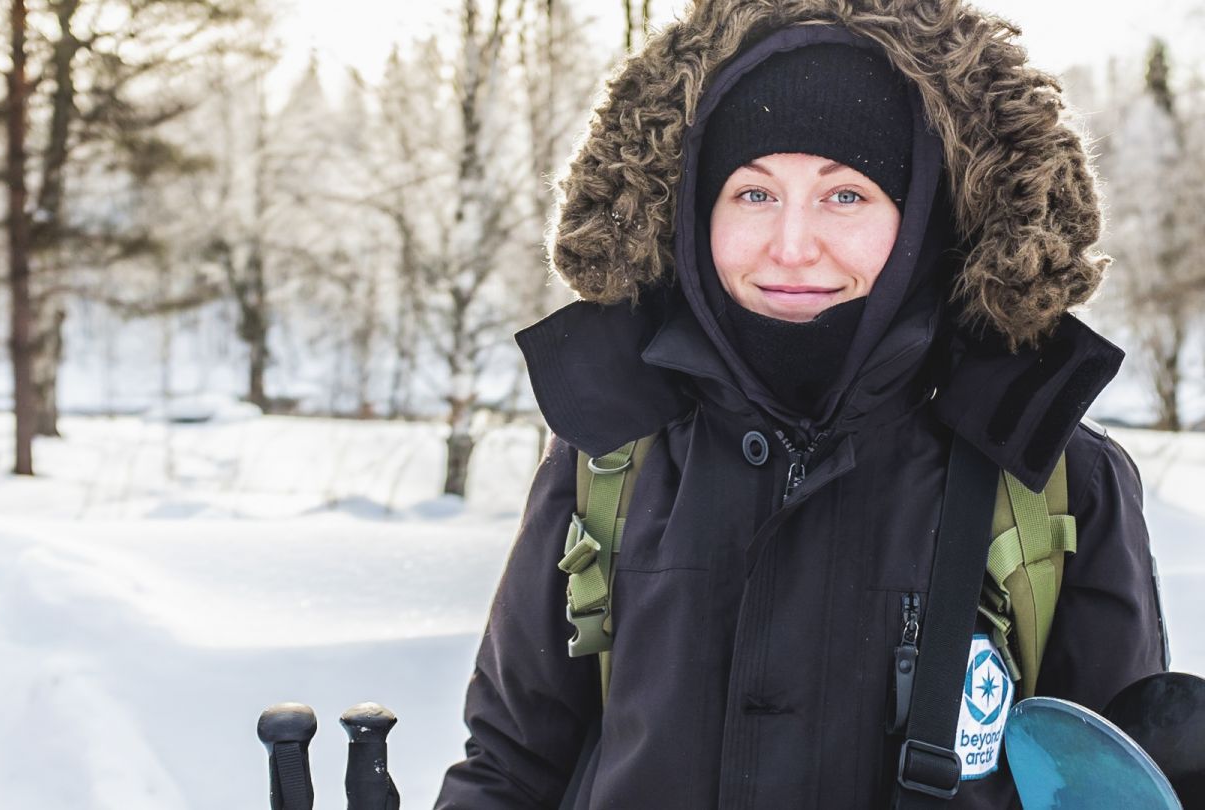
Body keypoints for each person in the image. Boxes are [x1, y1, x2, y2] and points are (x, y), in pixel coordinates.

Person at [434, 1, 1169, 808]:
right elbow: (510, 766)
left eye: (845, 196)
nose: (791, 246)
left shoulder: (1049, 476)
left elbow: (1112, 788)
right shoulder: (610, 449)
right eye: (752, 194)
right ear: (692, 211)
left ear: (922, 217)